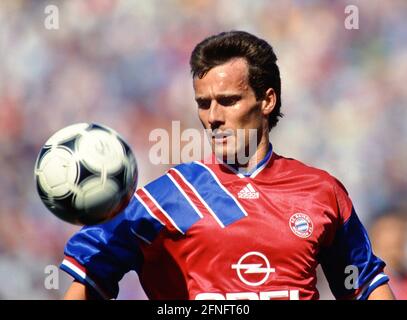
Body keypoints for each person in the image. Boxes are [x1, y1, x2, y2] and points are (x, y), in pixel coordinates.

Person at [61, 31, 394, 300]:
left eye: (229, 101)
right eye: (204, 104)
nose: (214, 117)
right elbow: (89, 279)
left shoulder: (321, 192)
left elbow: (364, 286)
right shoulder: (168, 197)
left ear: (267, 100)